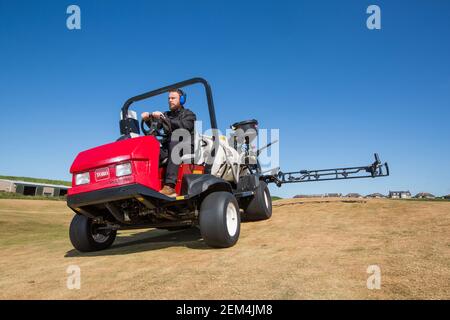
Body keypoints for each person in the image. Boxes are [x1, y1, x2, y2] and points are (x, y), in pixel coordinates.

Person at [141, 89, 196, 197]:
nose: (170, 100)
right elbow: (156, 128)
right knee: (150, 146)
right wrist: (148, 120)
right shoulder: (166, 114)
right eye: (169, 98)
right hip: (169, 147)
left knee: (175, 141)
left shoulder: (189, 114)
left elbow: (184, 127)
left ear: (182, 99)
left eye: (173, 98)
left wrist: (164, 118)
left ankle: (170, 186)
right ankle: (145, 183)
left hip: (185, 146)